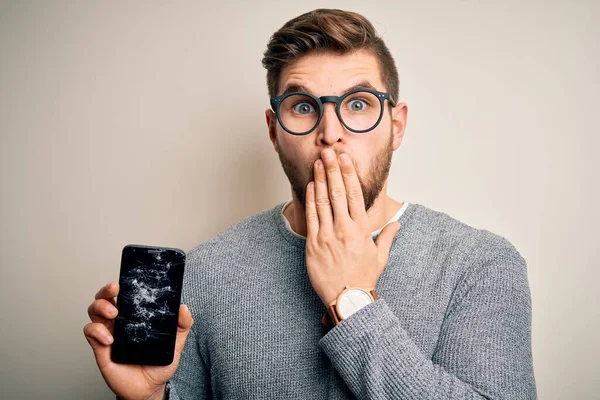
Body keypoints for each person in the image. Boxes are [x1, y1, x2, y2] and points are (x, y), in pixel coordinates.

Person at [84, 8, 536, 400]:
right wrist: (148, 398)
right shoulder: (206, 272)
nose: (331, 133)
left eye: (358, 104)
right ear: (273, 130)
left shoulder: (480, 264)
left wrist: (351, 300)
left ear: (396, 126)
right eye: (303, 107)